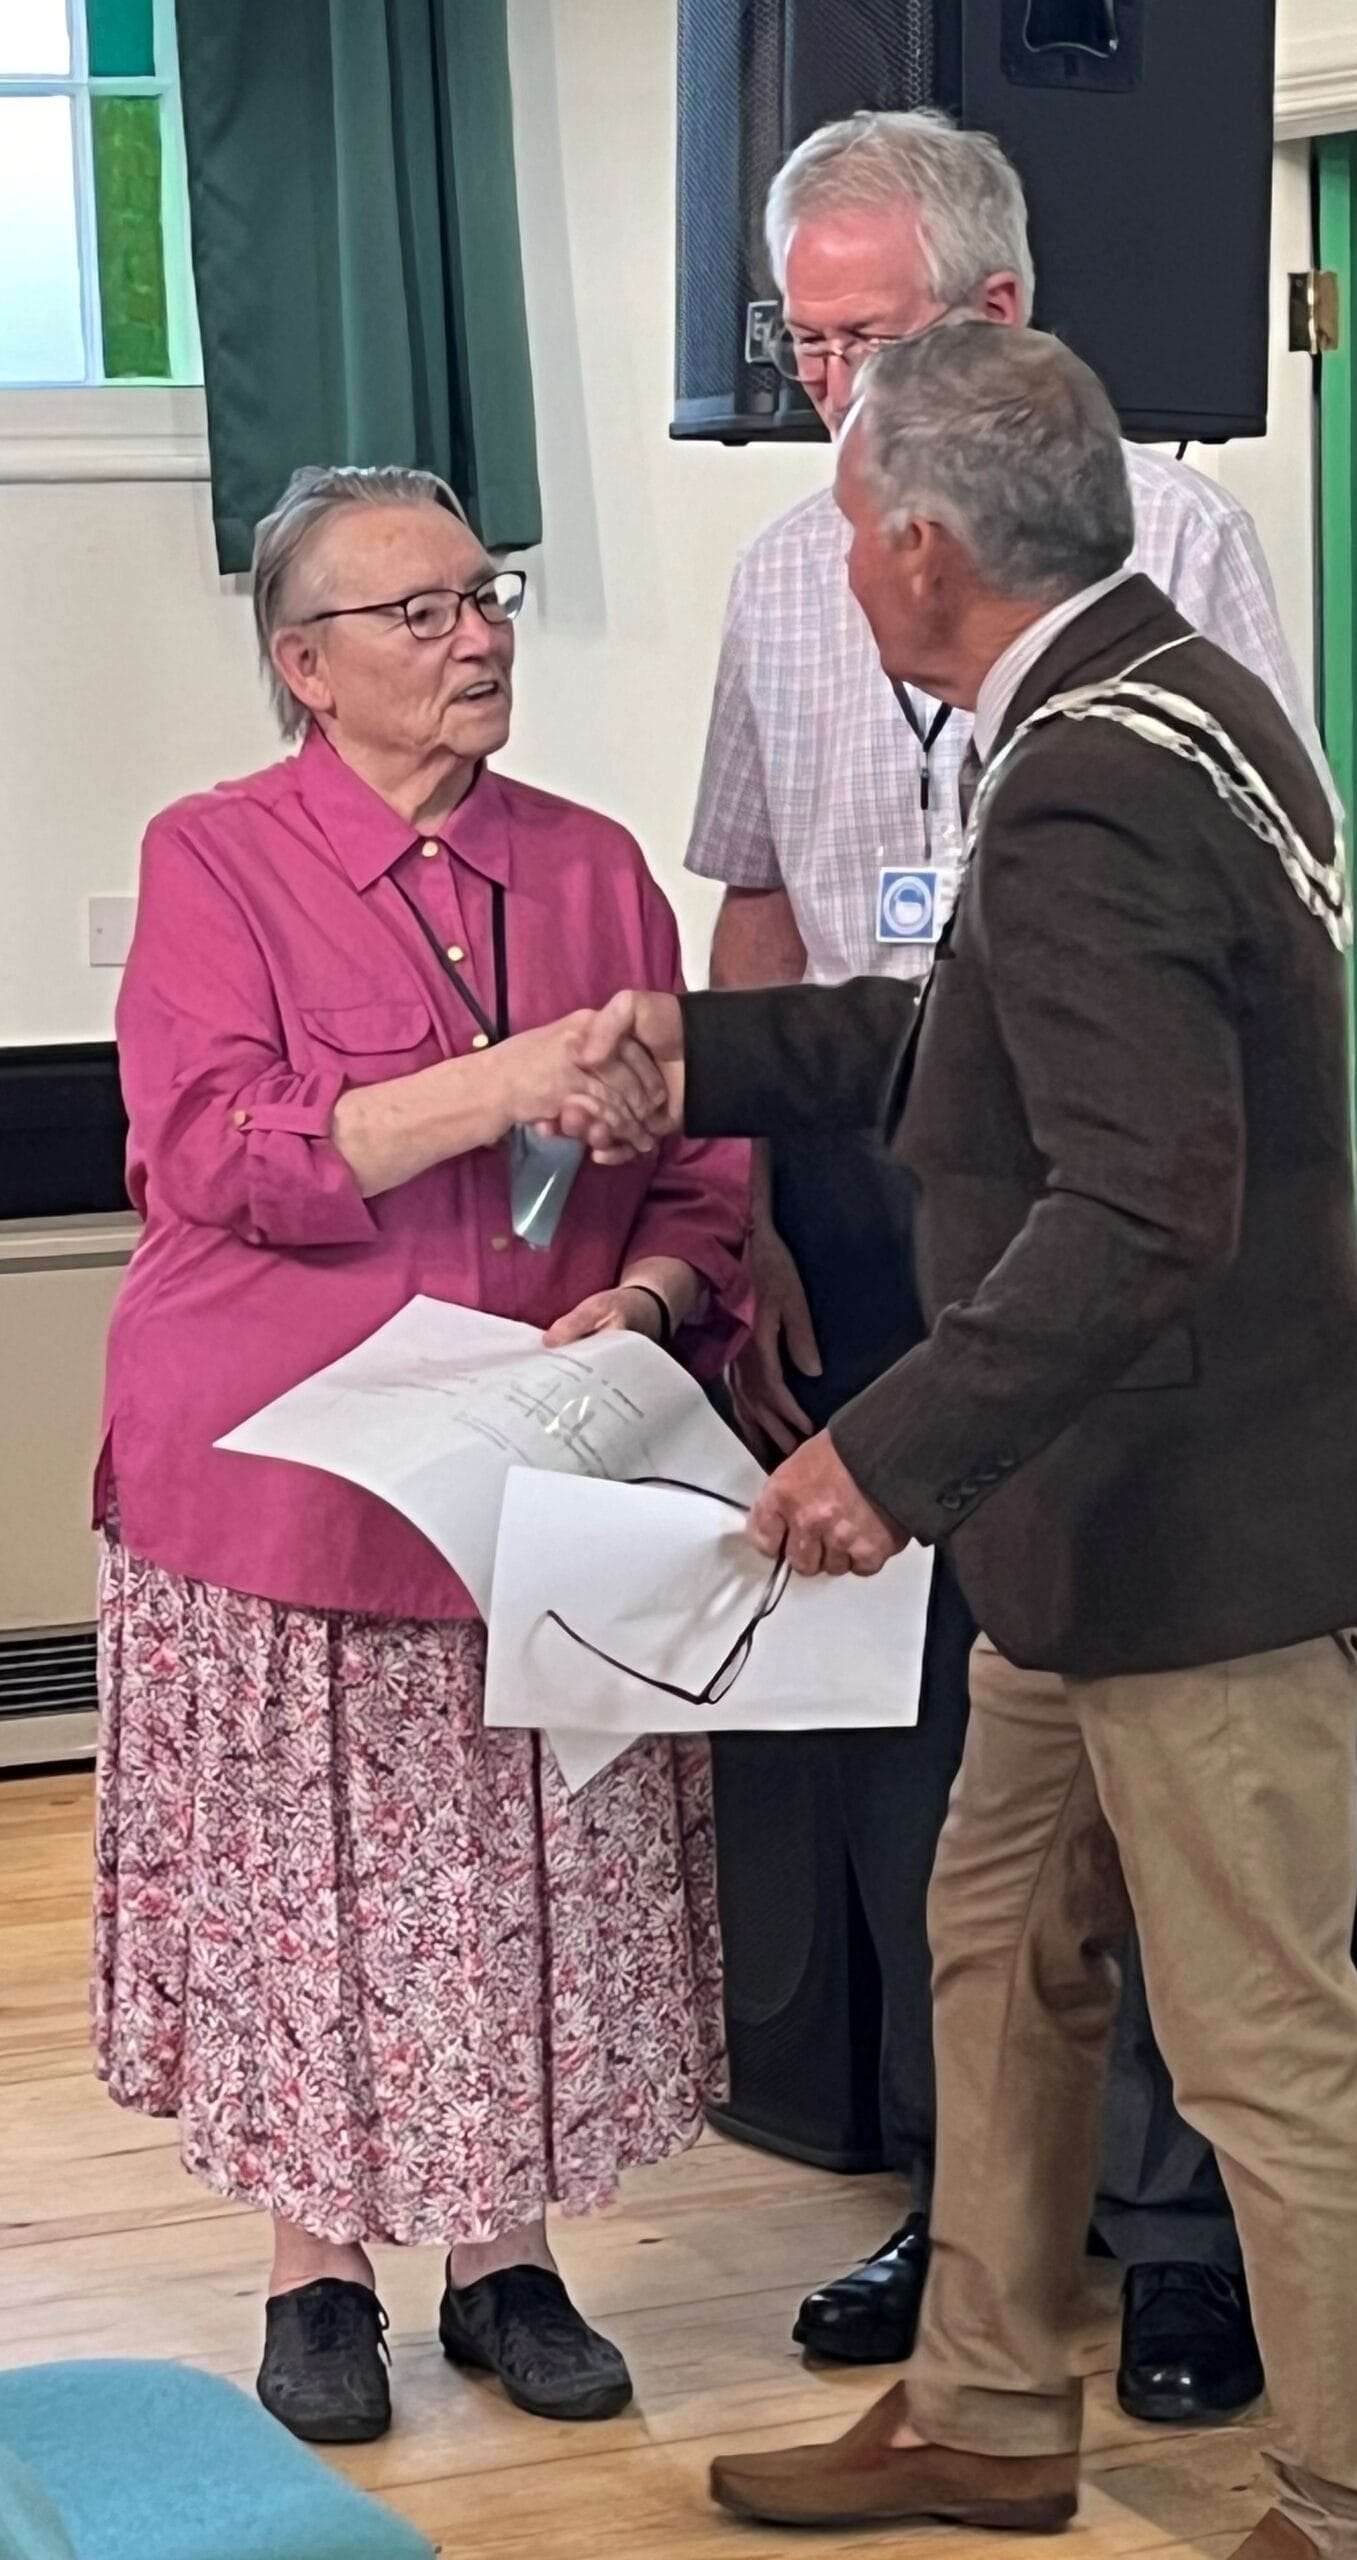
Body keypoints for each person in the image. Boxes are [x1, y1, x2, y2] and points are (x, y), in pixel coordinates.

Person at [594, 321, 1357, 2559]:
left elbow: (1137, 1199)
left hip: (1196, 1530)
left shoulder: (1085, 769)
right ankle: (990, 2402)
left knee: (1264, 2036)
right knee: (997, 1954)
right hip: (1093, 1524)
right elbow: (974, 1036)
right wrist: (690, 1050)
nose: (837, 556)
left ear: (913, 549)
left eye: (838, 520)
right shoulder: (1167, 689)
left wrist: (885, 1452)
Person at [687, 106, 1335, 2413]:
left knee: (1170, 1794)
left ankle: (1175, 2248)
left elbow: (1253, 920)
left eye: (860, 333)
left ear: (990, 314)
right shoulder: (791, 563)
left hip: (1118, 1218)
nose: (822, 378)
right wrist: (739, 1181)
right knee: (948, 1776)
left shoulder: (1174, 554)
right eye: (802, 334)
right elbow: (759, 881)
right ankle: (971, 2242)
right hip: (880, 1183)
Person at [92, 465, 750, 2448]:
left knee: (525, 1879)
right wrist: (499, 1078)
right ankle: (312, 2268)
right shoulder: (213, 857)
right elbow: (213, 1151)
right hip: (290, 1480)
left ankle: (504, 2253)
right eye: (421, 613)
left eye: (489, 599)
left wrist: (634, 1307)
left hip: (537, 1465)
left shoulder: (595, 867)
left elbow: (694, 1174)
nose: (477, 638)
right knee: (317, 1889)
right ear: (305, 666)